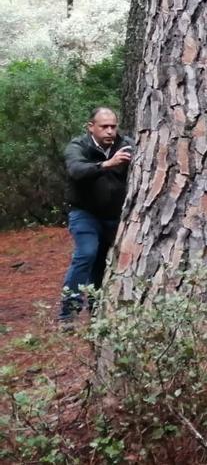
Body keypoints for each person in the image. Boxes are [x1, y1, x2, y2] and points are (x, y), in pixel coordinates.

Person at [59, 107, 132, 323]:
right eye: (104, 127)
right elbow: (76, 170)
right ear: (91, 127)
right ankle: (68, 313)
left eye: (113, 126)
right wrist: (107, 164)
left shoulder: (125, 144)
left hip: (113, 217)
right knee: (86, 254)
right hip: (84, 214)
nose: (110, 131)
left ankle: (96, 313)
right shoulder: (78, 146)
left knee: (102, 263)